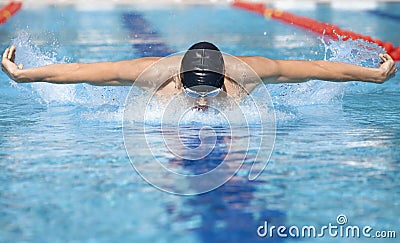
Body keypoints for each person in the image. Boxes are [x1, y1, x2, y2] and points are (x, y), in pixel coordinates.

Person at [1, 41, 397, 108]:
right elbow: (83, 73)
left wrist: (373, 76)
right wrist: (24, 75)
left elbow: (317, 70)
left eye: (211, 92)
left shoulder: (251, 72)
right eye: (194, 94)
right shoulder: (152, 74)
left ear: (227, 79)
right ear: (178, 81)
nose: (204, 103)